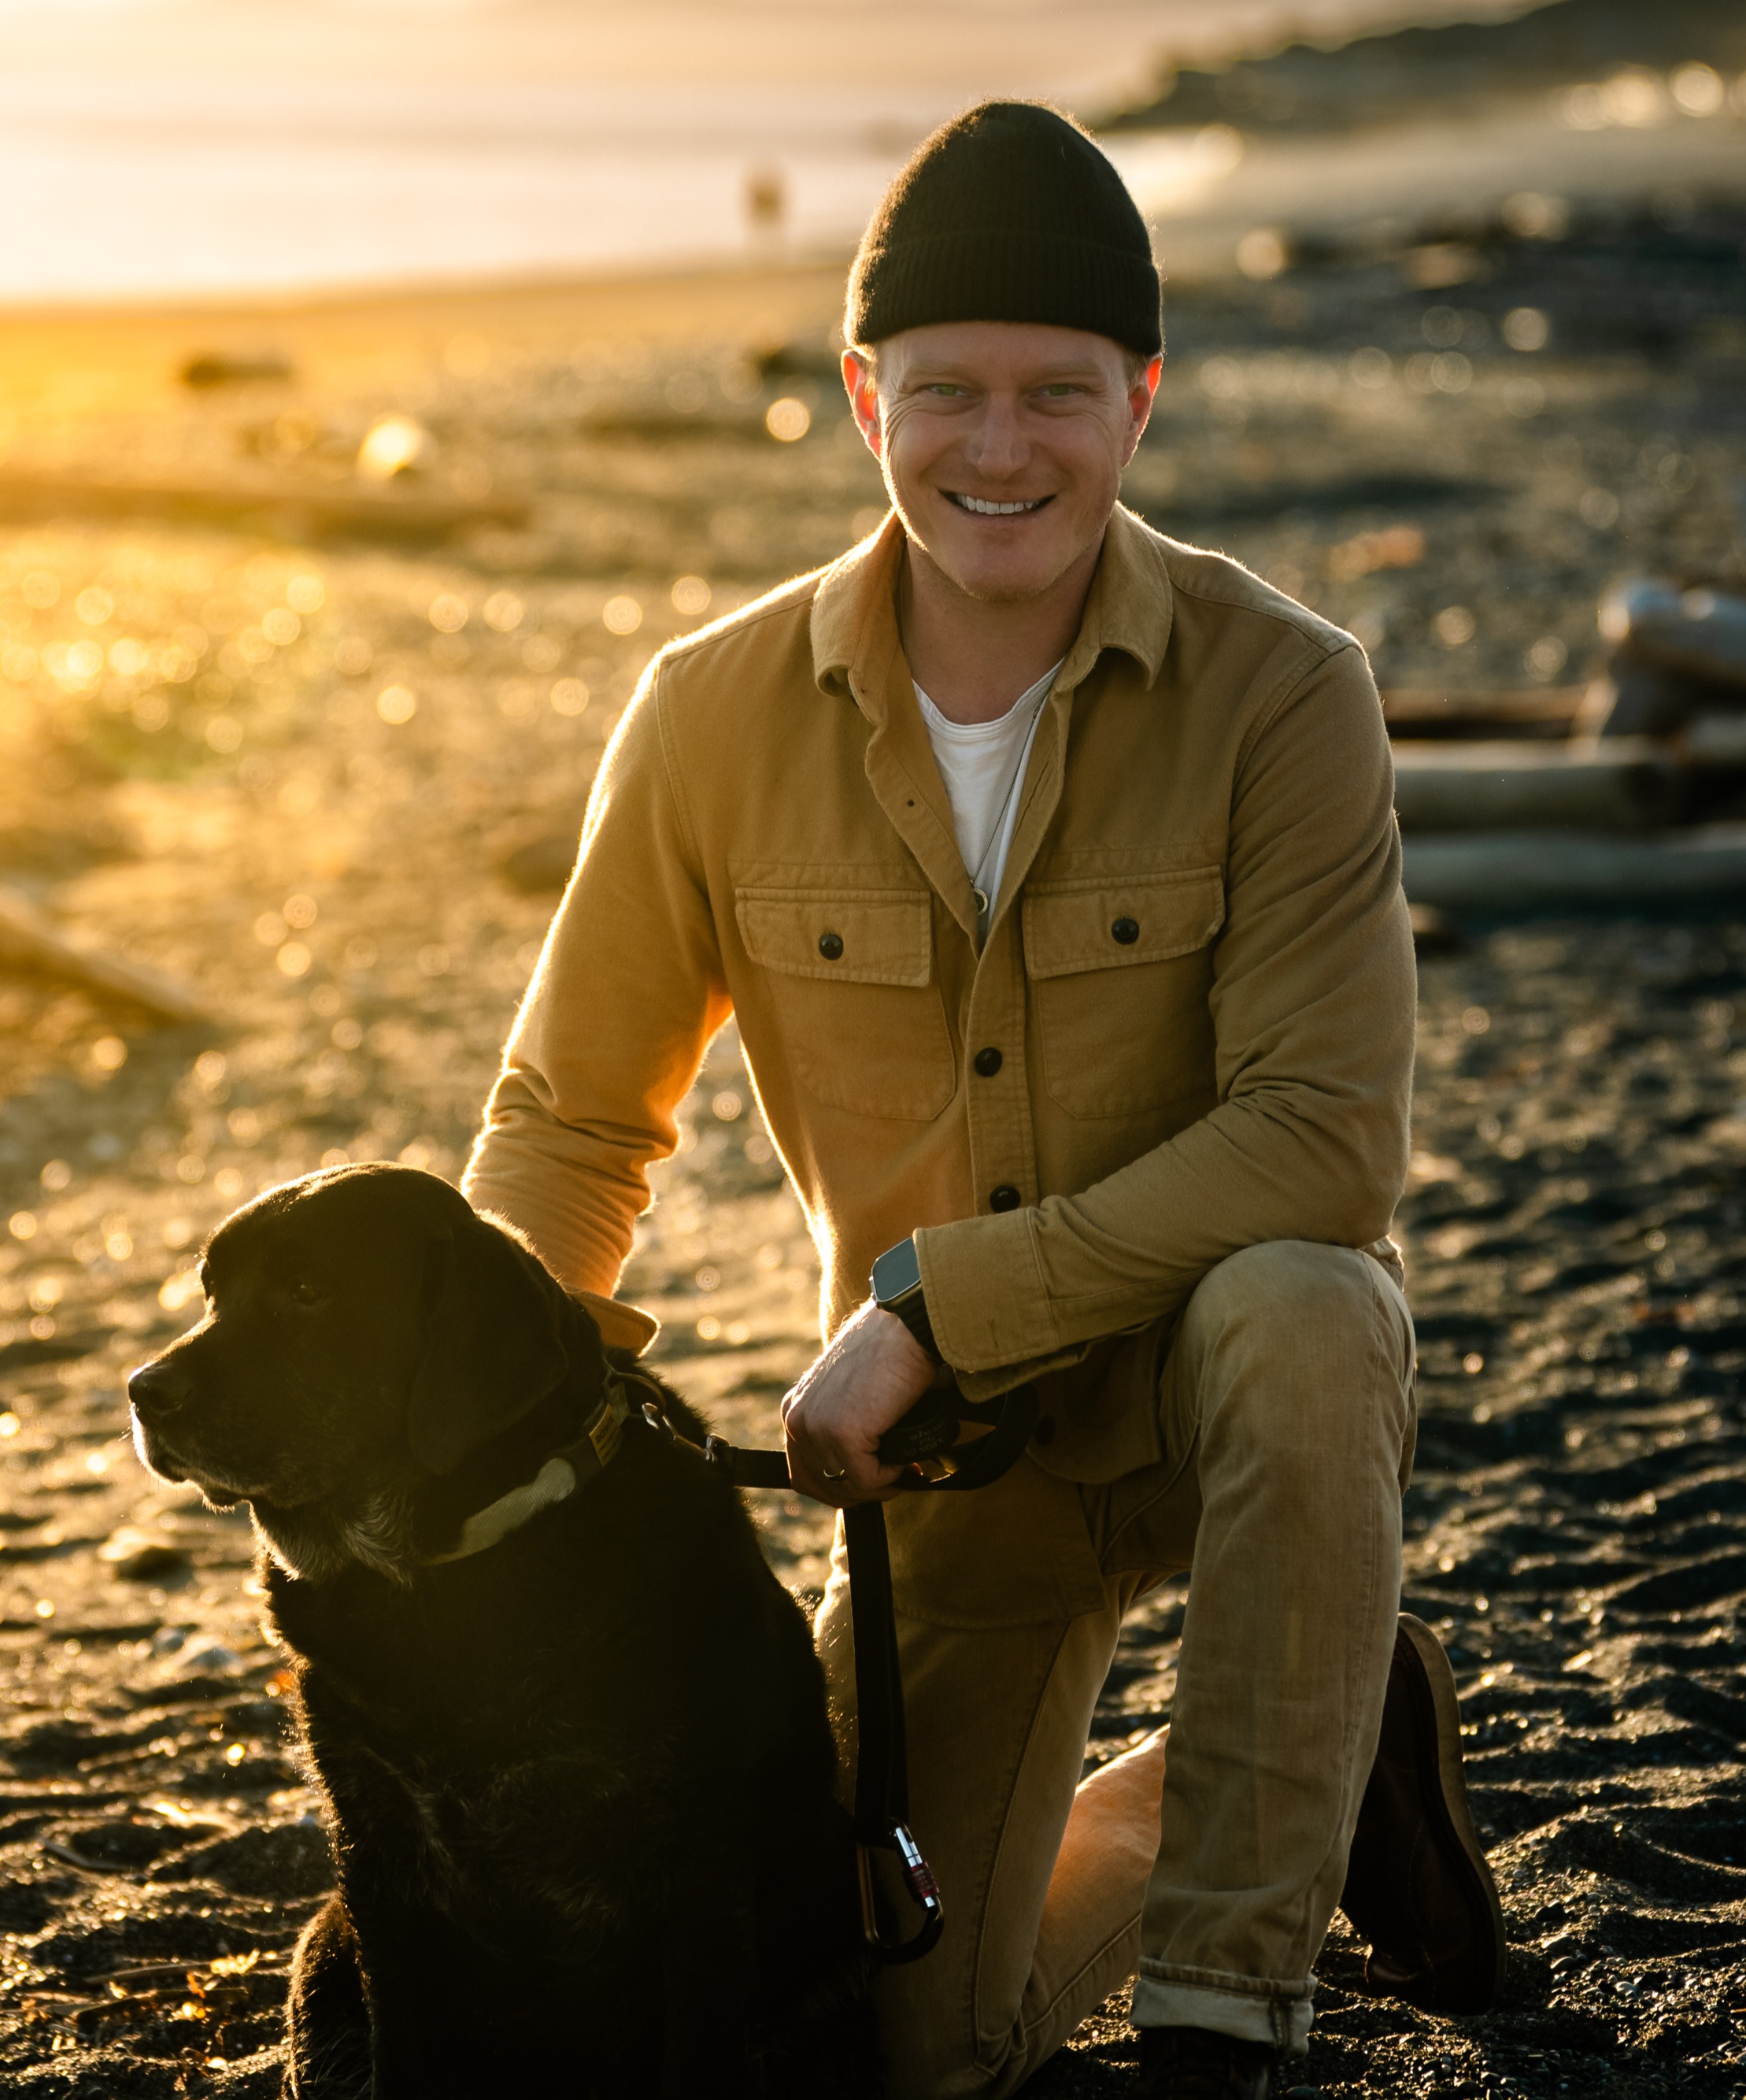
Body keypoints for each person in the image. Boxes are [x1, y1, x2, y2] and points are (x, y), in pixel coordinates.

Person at [465, 101, 1503, 2100]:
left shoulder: (1285, 692)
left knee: (1312, 1300)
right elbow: (573, 1123)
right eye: (946, 390)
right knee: (914, 2053)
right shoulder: (705, 714)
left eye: (1055, 393)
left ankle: (1222, 2017)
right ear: (865, 397)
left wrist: (934, 1304)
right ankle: (1310, 1732)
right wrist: (481, 1435)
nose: (999, 448)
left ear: (1141, 402)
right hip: (942, 1477)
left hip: (1215, 1399)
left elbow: (1324, 1139)